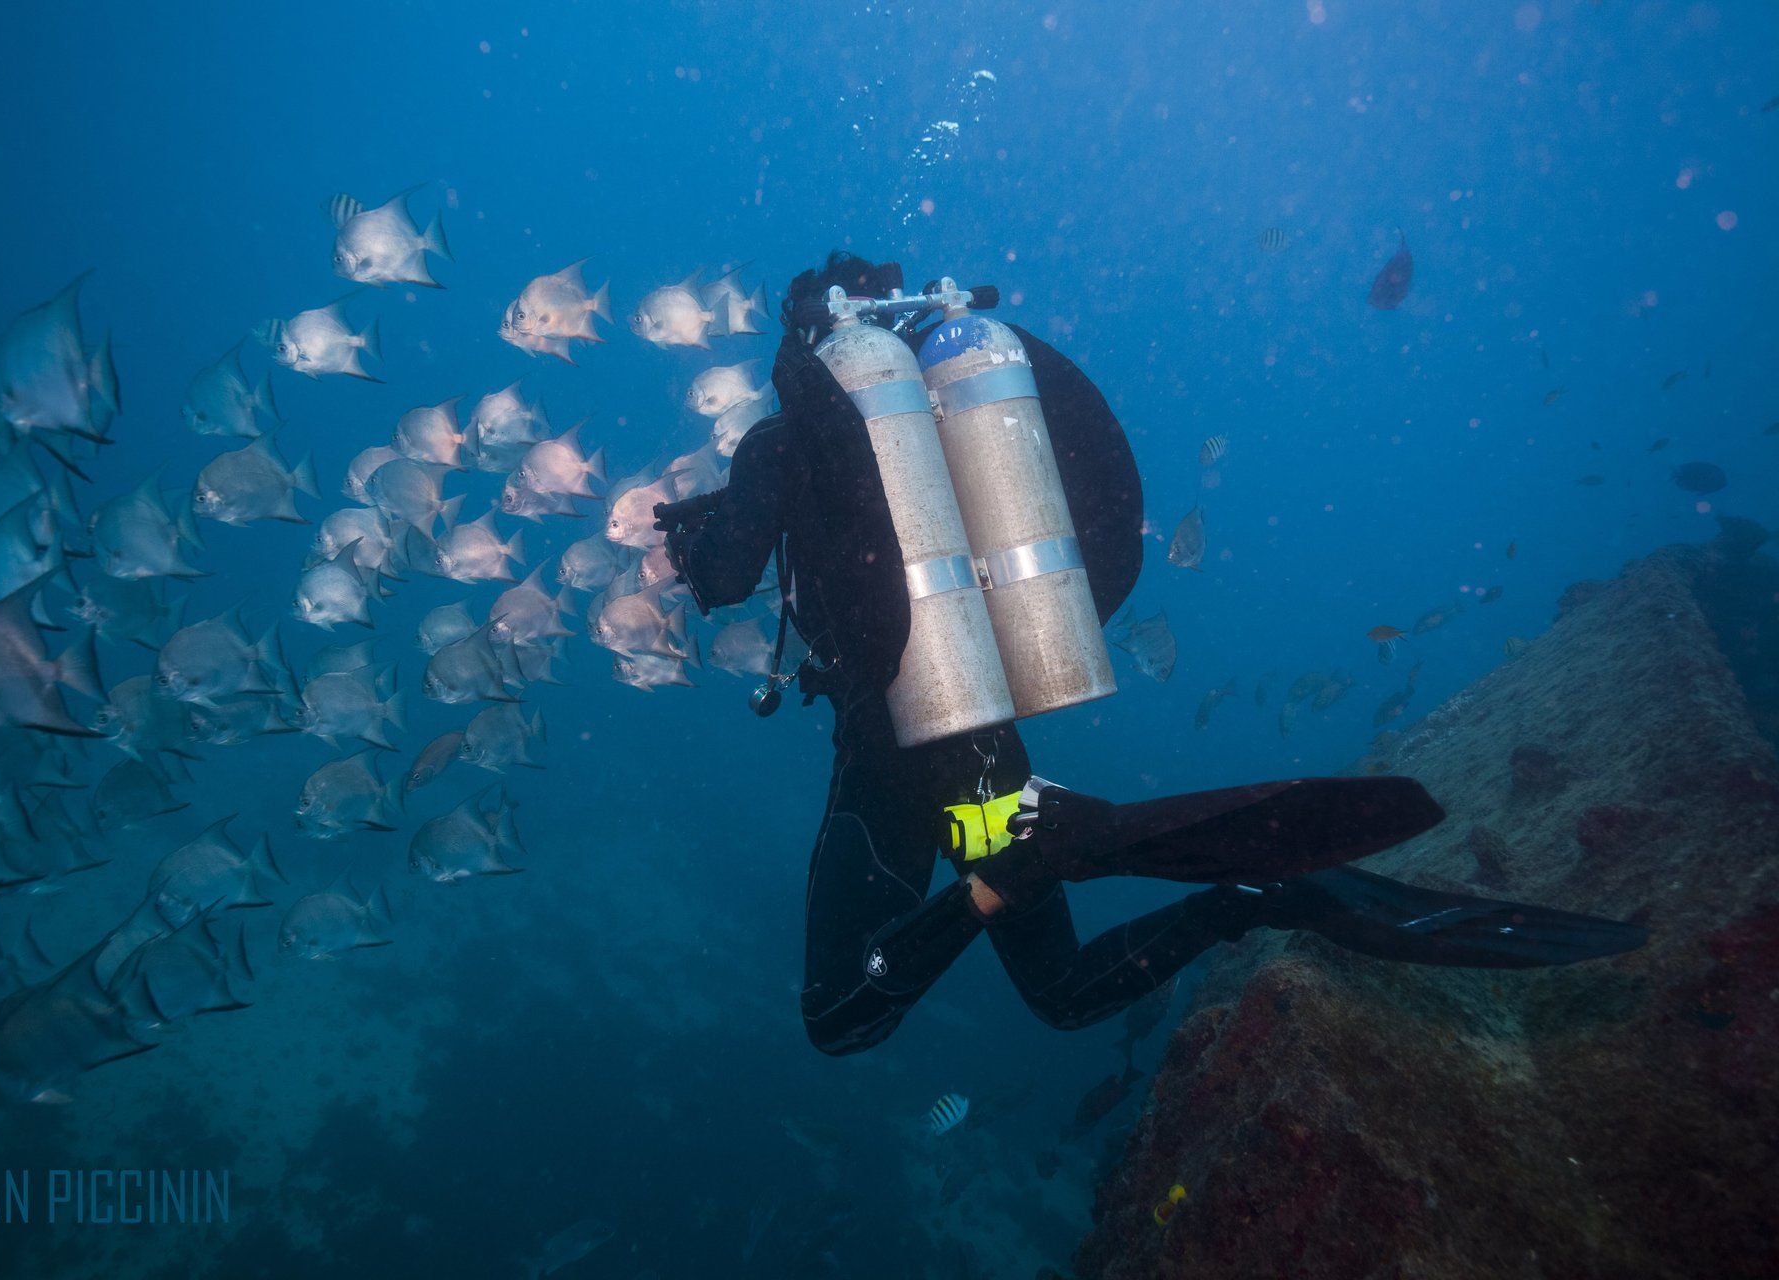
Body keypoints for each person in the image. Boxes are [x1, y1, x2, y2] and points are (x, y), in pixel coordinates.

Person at [654, 252, 1646, 1057]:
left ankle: (1022, 873)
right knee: (1061, 990)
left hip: (891, 756)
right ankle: (1252, 893)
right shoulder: (941, 426)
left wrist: (690, 547)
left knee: (839, 1014)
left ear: (804, 341)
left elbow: (729, 577)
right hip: (982, 743)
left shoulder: (780, 442)